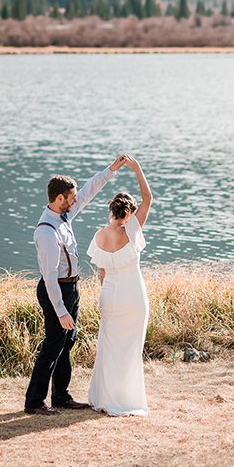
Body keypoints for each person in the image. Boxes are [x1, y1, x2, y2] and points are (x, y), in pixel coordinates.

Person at [24, 155, 128, 416]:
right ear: (59, 199)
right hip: (55, 291)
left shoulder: (64, 216)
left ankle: (61, 396)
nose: (74, 201)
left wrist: (111, 170)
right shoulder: (47, 231)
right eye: (70, 198)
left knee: (67, 342)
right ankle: (34, 401)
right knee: (53, 345)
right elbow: (48, 277)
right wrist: (60, 310)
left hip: (71, 288)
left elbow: (87, 191)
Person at [86, 155, 154, 416]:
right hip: (133, 296)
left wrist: (107, 294)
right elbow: (148, 198)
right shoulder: (132, 231)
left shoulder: (99, 235)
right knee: (130, 349)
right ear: (129, 212)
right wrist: (137, 168)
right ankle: (125, 400)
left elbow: (102, 272)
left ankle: (103, 398)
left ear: (111, 211)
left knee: (108, 347)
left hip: (110, 296)